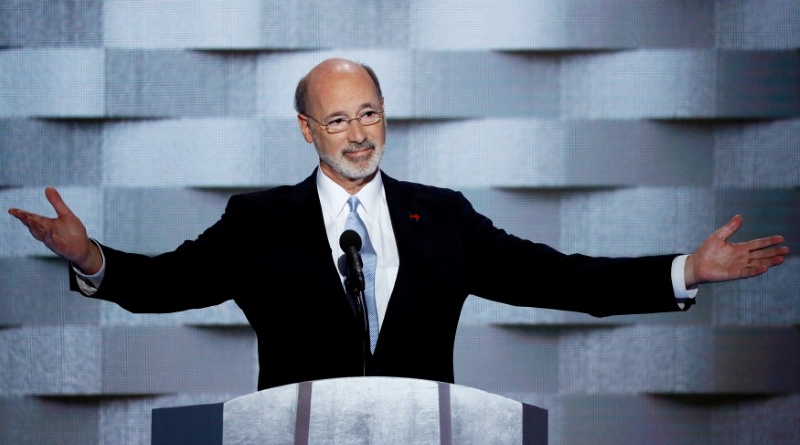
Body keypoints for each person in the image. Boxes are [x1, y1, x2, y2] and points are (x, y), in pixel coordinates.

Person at [8, 58, 790, 391]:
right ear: (307, 132)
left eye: (371, 113)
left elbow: (559, 276)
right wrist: (92, 256)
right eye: (338, 119)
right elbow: (167, 285)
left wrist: (684, 269)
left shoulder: (441, 218)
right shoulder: (259, 223)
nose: (358, 133)